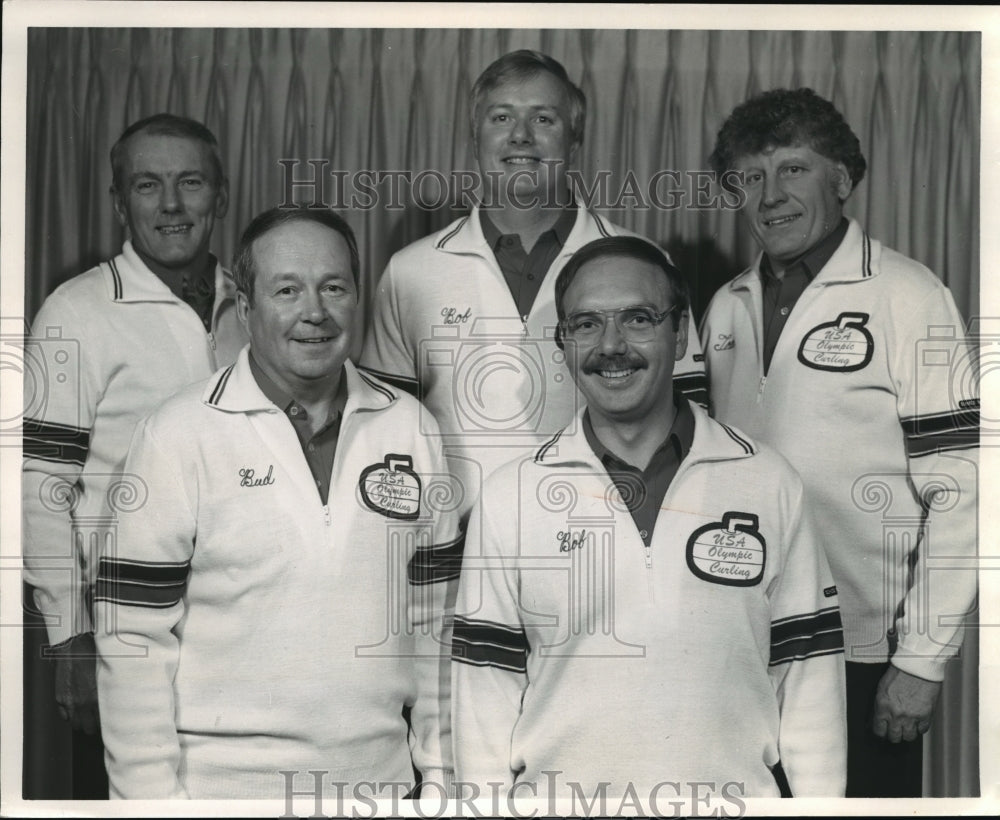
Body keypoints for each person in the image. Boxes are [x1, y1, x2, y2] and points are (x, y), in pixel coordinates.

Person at [451, 236, 847, 802]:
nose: (611, 346)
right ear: (563, 343)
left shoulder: (767, 481)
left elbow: (810, 683)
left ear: (679, 332)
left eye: (637, 318)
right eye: (585, 324)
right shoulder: (511, 495)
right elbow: (482, 698)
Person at [93, 207, 461, 799]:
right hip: (221, 794)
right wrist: (149, 807)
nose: (314, 311)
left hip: (380, 788)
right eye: (286, 289)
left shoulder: (409, 426)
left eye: (333, 287)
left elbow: (436, 626)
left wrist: (442, 781)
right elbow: (131, 639)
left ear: (357, 297)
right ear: (245, 307)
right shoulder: (178, 433)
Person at [701, 88, 979, 798]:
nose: (770, 195)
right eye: (751, 177)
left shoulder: (907, 294)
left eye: (793, 169)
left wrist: (921, 661)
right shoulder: (726, 305)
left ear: (843, 180)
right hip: (741, 645)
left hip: (863, 652)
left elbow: (967, 489)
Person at [360, 50, 706, 517]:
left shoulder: (643, 263)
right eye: (501, 116)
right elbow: (383, 430)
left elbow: (690, 420)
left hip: (602, 545)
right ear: (474, 136)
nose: (520, 135)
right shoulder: (409, 270)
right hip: (458, 557)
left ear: (574, 139)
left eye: (543, 118)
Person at [21, 113, 245, 797]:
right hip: (123, 634)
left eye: (190, 183)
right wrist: (68, 636)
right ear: (120, 201)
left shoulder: (257, 302)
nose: (172, 206)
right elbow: (40, 485)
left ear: (221, 194)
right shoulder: (77, 310)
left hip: (238, 625)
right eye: (149, 186)